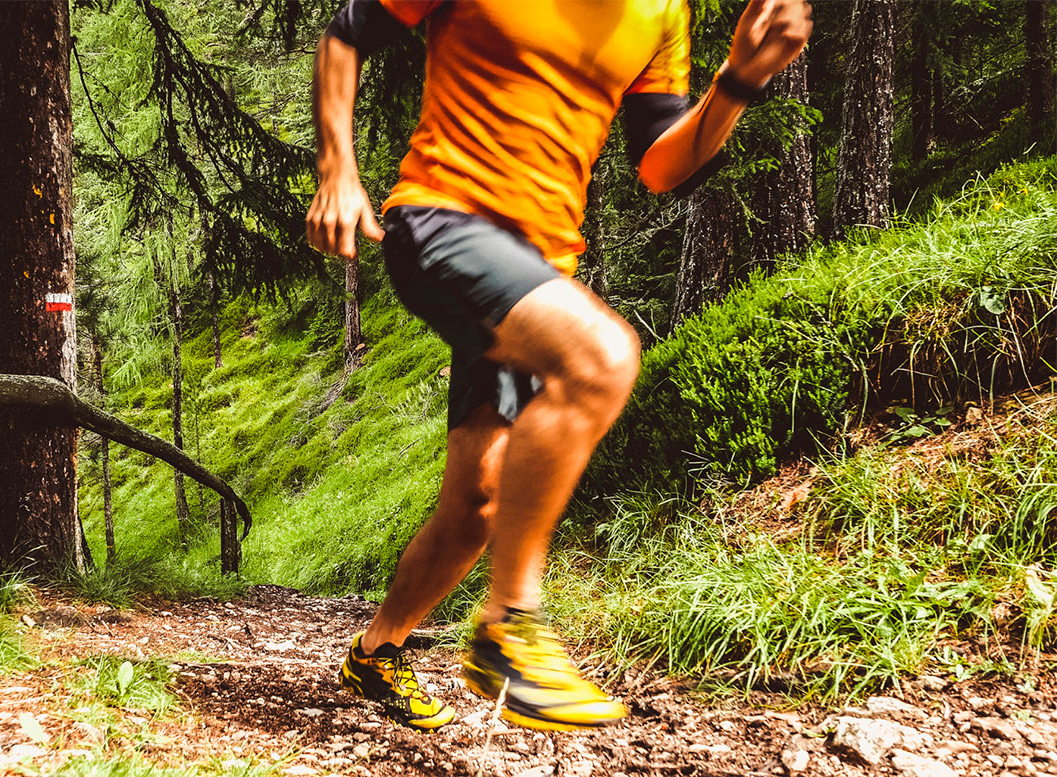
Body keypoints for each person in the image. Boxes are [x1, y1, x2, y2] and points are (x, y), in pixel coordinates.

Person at [306, 0, 811, 732]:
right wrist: (339, 170)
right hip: (438, 220)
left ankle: (375, 650)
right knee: (600, 357)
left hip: (536, 266)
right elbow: (345, 35)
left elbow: (659, 164)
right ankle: (510, 624)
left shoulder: (662, 9)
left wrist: (734, 82)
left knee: (476, 502)